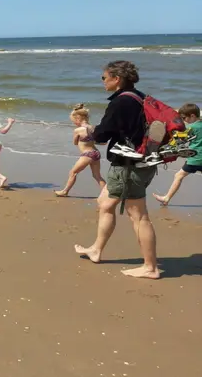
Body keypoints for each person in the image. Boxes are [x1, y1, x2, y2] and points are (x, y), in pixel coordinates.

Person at [74, 60, 160, 280]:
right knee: (105, 204)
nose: (103, 82)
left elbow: (103, 135)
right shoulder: (140, 97)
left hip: (128, 165)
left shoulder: (120, 102)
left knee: (139, 216)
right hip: (143, 161)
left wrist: (88, 131)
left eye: (104, 77)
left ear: (116, 79)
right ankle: (96, 249)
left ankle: (150, 267)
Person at [152, 103, 202, 206]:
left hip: (195, 158)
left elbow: (180, 138)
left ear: (192, 115)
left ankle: (166, 198)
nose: (184, 121)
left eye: (184, 118)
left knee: (178, 176)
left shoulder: (191, 127)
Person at [55, 104, 106, 197]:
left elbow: (75, 142)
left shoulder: (78, 130)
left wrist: (78, 139)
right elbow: (100, 142)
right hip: (96, 153)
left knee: (73, 172)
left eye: (74, 121)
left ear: (78, 118)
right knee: (97, 176)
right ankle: (106, 194)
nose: (74, 123)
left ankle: (65, 191)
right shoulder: (93, 128)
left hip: (87, 154)